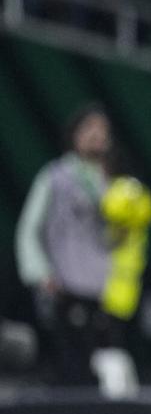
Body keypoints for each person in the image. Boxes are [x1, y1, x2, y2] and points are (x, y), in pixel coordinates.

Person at [16, 105, 121, 386]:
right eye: (90, 128)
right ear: (74, 135)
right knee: (66, 367)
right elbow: (29, 228)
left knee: (99, 368)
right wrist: (40, 273)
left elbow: (118, 240)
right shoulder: (55, 176)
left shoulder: (114, 184)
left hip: (103, 289)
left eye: (103, 130)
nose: (97, 135)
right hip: (64, 286)